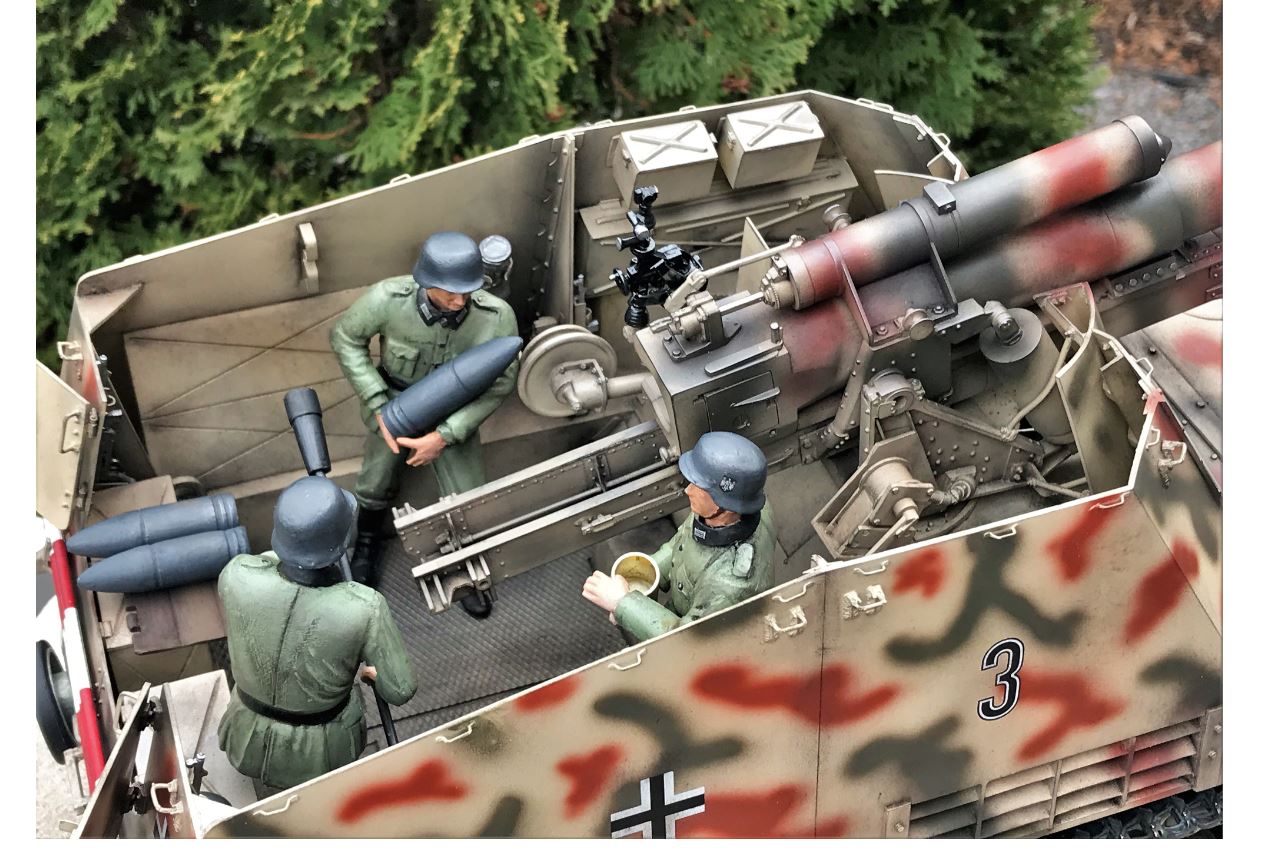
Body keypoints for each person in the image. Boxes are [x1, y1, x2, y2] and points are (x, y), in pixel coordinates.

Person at [330, 231, 518, 613]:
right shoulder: (388, 299)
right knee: (374, 481)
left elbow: (502, 382)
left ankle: (466, 563)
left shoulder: (496, 317)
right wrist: (377, 401)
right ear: (426, 281)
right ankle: (366, 543)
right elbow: (345, 337)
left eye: (467, 291)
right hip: (394, 404)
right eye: (450, 292)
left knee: (468, 495)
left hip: (453, 413)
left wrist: (446, 435)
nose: (459, 301)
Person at [217, 476, 417, 791]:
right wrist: (372, 673)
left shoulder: (235, 574)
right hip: (321, 754)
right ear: (342, 542)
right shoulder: (365, 607)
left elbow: (266, 564)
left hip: (244, 737)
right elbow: (400, 689)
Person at [582, 431, 777, 642]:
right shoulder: (727, 512)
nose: (688, 491)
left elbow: (687, 639)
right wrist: (651, 570)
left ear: (726, 505)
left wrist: (623, 604)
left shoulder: (730, 585)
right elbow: (684, 539)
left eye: (699, 487)